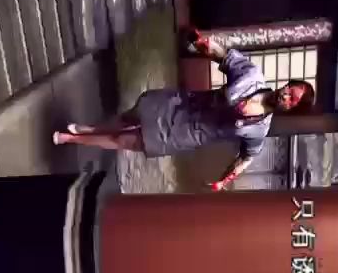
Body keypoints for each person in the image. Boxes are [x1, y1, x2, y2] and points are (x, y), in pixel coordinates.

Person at [52, 29, 315, 190]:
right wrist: (202, 43)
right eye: (290, 89)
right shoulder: (252, 76)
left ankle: (73, 138)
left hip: (185, 136)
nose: (286, 95)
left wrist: (224, 180)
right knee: (129, 118)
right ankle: (90, 129)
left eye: (292, 100)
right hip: (182, 105)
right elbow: (223, 56)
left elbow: (246, 158)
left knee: (125, 141)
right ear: (287, 84)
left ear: (291, 109)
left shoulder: (259, 130)